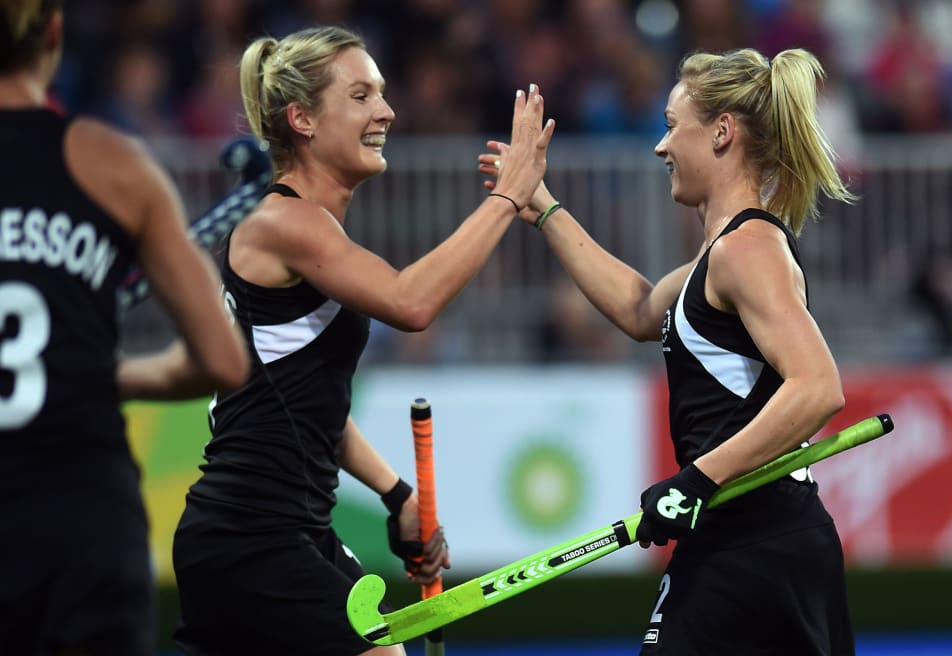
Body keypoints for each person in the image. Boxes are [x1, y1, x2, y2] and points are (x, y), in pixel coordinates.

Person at [171, 25, 554, 656]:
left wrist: (397, 494)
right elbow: (412, 302)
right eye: (360, 96)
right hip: (252, 535)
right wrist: (509, 195)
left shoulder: (309, 231)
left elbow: (309, 404)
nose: (386, 111)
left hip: (278, 531)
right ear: (302, 119)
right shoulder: (283, 222)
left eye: (380, 93)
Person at [482, 47, 856, 654]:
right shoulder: (715, 262)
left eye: (671, 125)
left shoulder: (748, 249)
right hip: (740, 534)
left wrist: (697, 481)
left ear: (722, 133)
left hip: (760, 539)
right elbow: (635, 309)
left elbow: (817, 387)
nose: (660, 147)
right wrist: (542, 206)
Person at [0, 2, 250, 655]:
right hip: (80, 521)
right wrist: (108, 375)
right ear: (53, 33)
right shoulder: (110, 162)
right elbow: (223, 360)